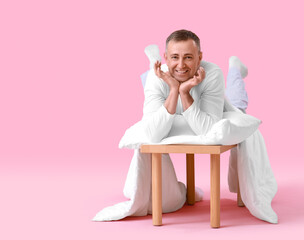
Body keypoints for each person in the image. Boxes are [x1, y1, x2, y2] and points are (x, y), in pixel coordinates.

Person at [93, 29, 278, 224]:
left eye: (188, 57)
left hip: (219, 108)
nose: (181, 65)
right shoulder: (158, 76)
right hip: (167, 85)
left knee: (238, 104)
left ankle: (235, 69)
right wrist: (174, 89)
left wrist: (186, 92)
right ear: (166, 58)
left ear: (199, 58)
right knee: (154, 81)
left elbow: (208, 130)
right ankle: (154, 62)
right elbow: (153, 134)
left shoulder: (212, 73)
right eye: (174, 57)